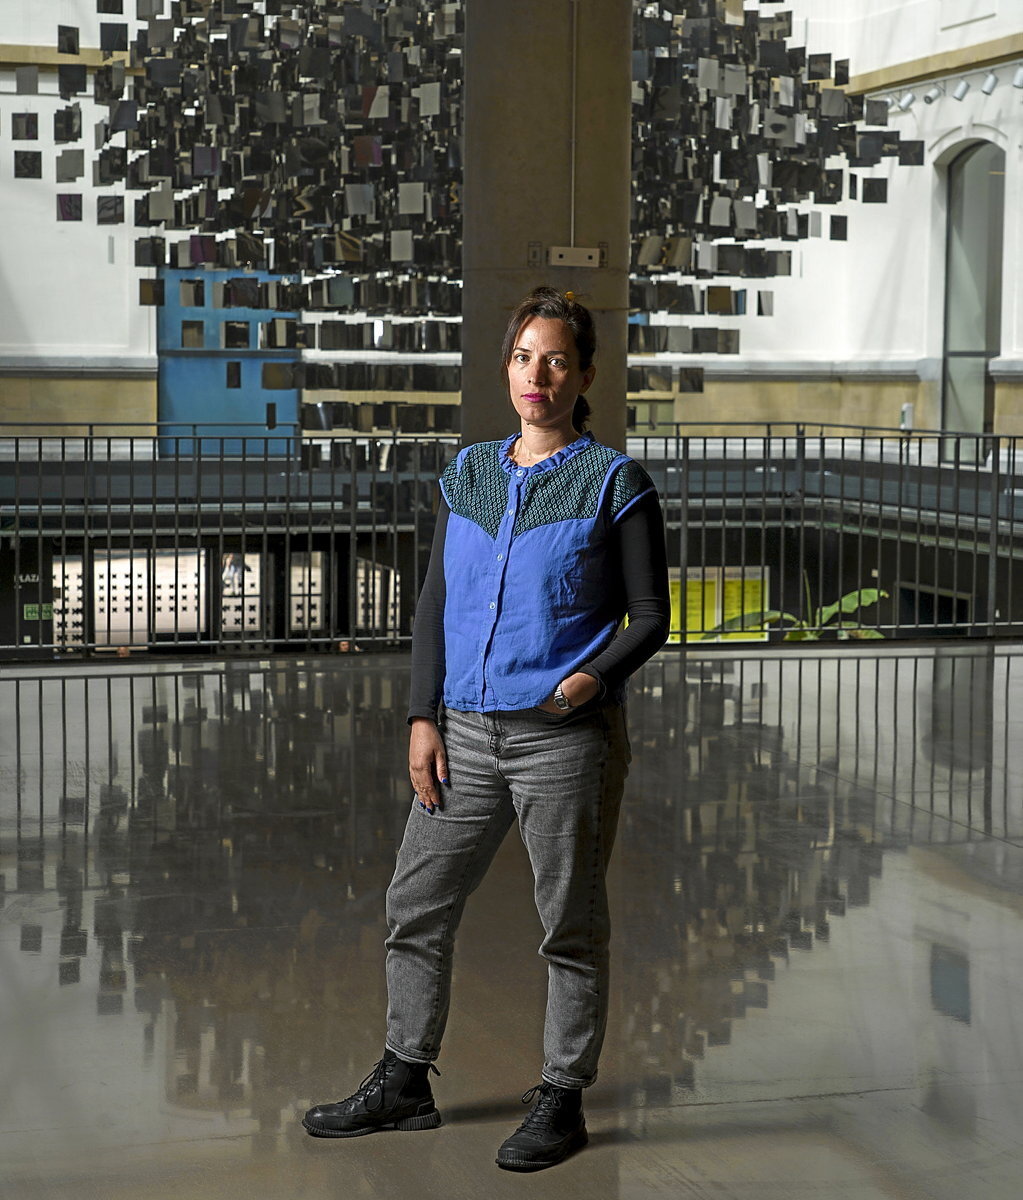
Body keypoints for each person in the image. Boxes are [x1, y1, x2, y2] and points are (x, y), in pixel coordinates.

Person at [302, 287, 670, 1170]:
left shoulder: (614, 482)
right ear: (506, 368)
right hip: (461, 734)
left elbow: (651, 615)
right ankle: (404, 1079)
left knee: (568, 924)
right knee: (415, 904)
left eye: (555, 360)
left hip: (563, 741)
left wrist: (589, 681)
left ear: (584, 375)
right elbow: (434, 601)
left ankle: (561, 1096)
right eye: (522, 357)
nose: (536, 375)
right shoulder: (467, 472)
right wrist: (420, 716)